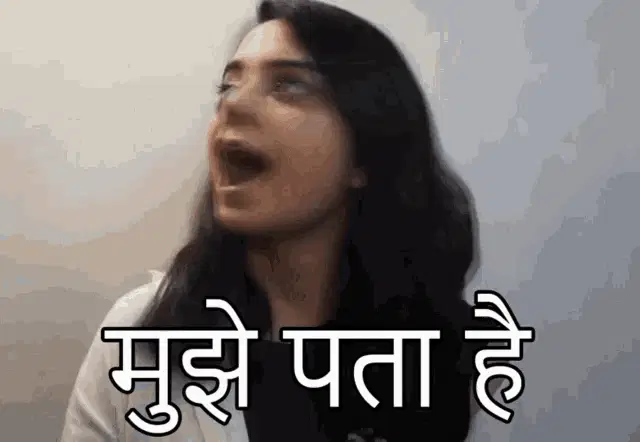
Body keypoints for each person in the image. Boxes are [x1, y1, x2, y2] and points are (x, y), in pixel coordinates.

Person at [61, 0, 481, 440]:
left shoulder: (446, 355)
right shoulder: (136, 336)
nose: (234, 104)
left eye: (289, 85)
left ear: (366, 153)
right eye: (227, 86)